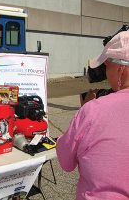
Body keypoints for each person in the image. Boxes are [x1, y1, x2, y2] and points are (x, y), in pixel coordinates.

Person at [56, 30, 129, 200]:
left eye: (106, 65)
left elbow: (66, 163)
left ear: (121, 69)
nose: (105, 72)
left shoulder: (93, 110)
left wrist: (87, 111)